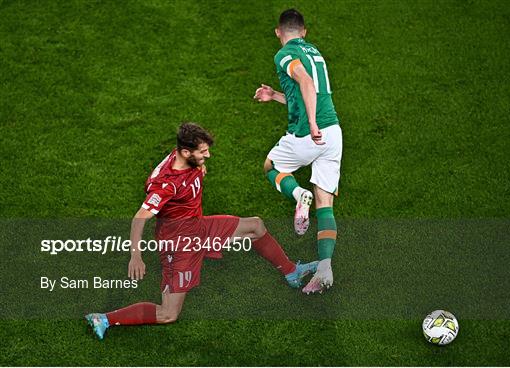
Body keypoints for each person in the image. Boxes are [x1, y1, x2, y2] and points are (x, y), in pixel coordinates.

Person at [85, 122, 318, 339]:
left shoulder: (186, 158)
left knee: (255, 226)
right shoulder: (166, 184)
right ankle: (104, 319)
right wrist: (136, 256)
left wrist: (200, 166)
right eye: (203, 152)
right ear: (186, 153)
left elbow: (193, 168)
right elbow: (139, 219)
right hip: (179, 245)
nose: (208, 155)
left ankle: (291, 272)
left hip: (198, 227)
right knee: (168, 314)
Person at [253, 9, 342, 294]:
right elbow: (307, 93)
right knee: (324, 202)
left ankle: (297, 193)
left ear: (278, 32)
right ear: (304, 31)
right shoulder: (314, 51)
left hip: (308, 134)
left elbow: (305, 82)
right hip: (333, 133)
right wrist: (275, 96)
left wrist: (312, 125)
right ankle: (324, 270)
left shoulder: (284, 55)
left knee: (271, 166)